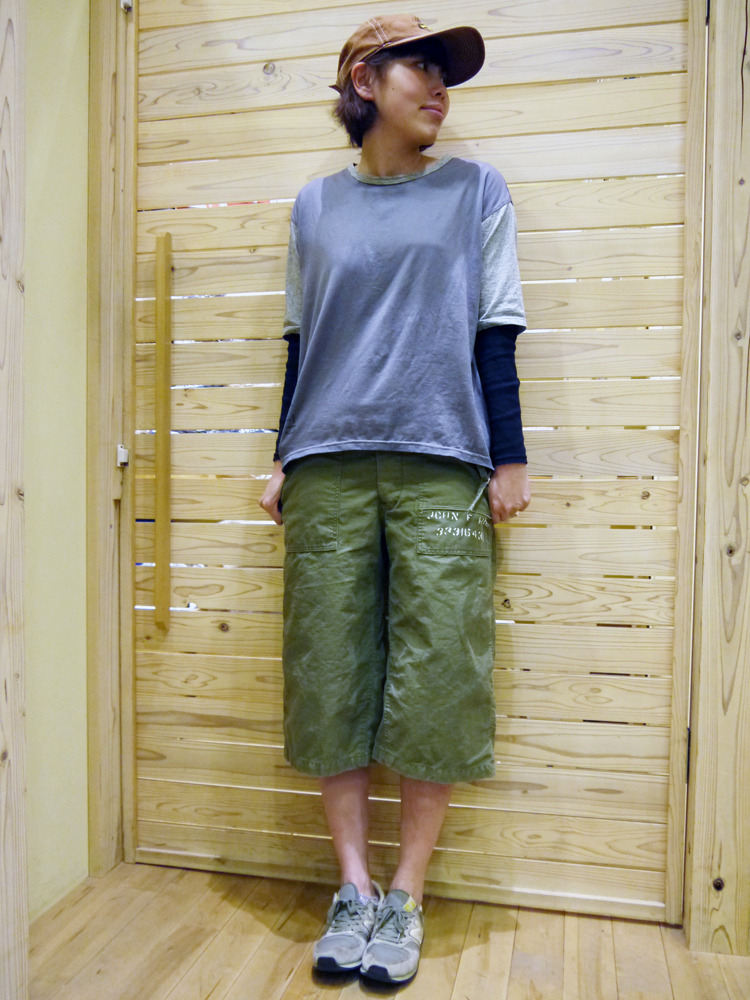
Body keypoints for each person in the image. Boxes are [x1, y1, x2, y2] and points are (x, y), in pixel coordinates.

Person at [259, 13, 530, 985]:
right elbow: (302, 340)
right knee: (329, 670)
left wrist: (510, 456)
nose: (440, 86)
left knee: (438, 675)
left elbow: (496, 326)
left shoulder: (475, 191)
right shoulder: (314, 206)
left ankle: (407, 894)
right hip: (326, 465)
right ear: (365, 81)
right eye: (423, 65)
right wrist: (283, 456)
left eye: (445, 71)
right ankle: (353, 888)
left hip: (442, 461)